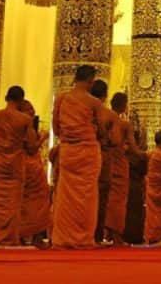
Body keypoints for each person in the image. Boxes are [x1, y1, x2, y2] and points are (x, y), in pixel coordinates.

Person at [0, 86, 40, 247]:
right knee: (12, 204)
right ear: (21, 100)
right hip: (15, 165)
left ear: (7, 98)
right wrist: (44, 138)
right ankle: (8, 239)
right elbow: (32, 147)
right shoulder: (24, 120)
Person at [51, 64, 104, 249]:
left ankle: (63, 238)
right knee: (87, 196)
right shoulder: (94, 102)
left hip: (68, 152)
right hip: (88, 152)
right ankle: (83, 238)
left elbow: (56, 129)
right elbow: (102, 131)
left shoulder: (61, 98)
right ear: (90, 81)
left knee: (65, 195)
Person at [102, 92, 141, 245]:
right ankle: (116, 235)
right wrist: (146, 155)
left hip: (106, 161)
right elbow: (133, 148)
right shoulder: (124, 125)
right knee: (118, 201)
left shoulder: (103, 119)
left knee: (108, 198)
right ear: (125, 105)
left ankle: (106, 234)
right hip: (119, 163)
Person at [17, 100, 50, 245]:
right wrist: (43, 137)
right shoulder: (25, 126)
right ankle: (29, 236)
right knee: (33, 203)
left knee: (33, 202)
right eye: (28, 109)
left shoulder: (17, 125)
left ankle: (31, 236)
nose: (32, 112)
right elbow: (31, 148)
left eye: (32, 109)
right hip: (29, 166)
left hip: (25, 166)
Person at [90, 79, 114, 243]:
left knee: (84, 196)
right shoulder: (108, 114)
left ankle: (81, 232)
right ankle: (96, 235)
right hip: (101, 158)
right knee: (100, 198)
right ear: (105, 96)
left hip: (83, 157)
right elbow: (114, 139)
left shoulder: (81, 109)